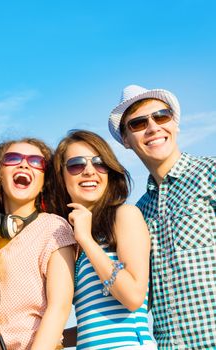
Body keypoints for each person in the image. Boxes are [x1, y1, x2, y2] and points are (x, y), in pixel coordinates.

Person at [108, 84, 216, 348]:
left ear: (174, 124)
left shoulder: (211, 174)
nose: (153, 127)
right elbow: (137, 299)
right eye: (138, 123)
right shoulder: (138, 213)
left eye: (161, 116)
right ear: (125, 140)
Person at [49, 129, 155, 349]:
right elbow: (93, 323)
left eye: (99, 163)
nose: (89, 171)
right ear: (61, 176)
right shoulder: (72, 238)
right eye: (76, 164)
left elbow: (133, 297)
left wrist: (86, 240)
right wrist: (53, 335)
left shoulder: (124, 215)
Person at [0, 138, 76, 350]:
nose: (24, 164)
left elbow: (59, 308)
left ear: (44, 181)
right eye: (13, 159)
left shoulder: (53, 228)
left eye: (35, 162)